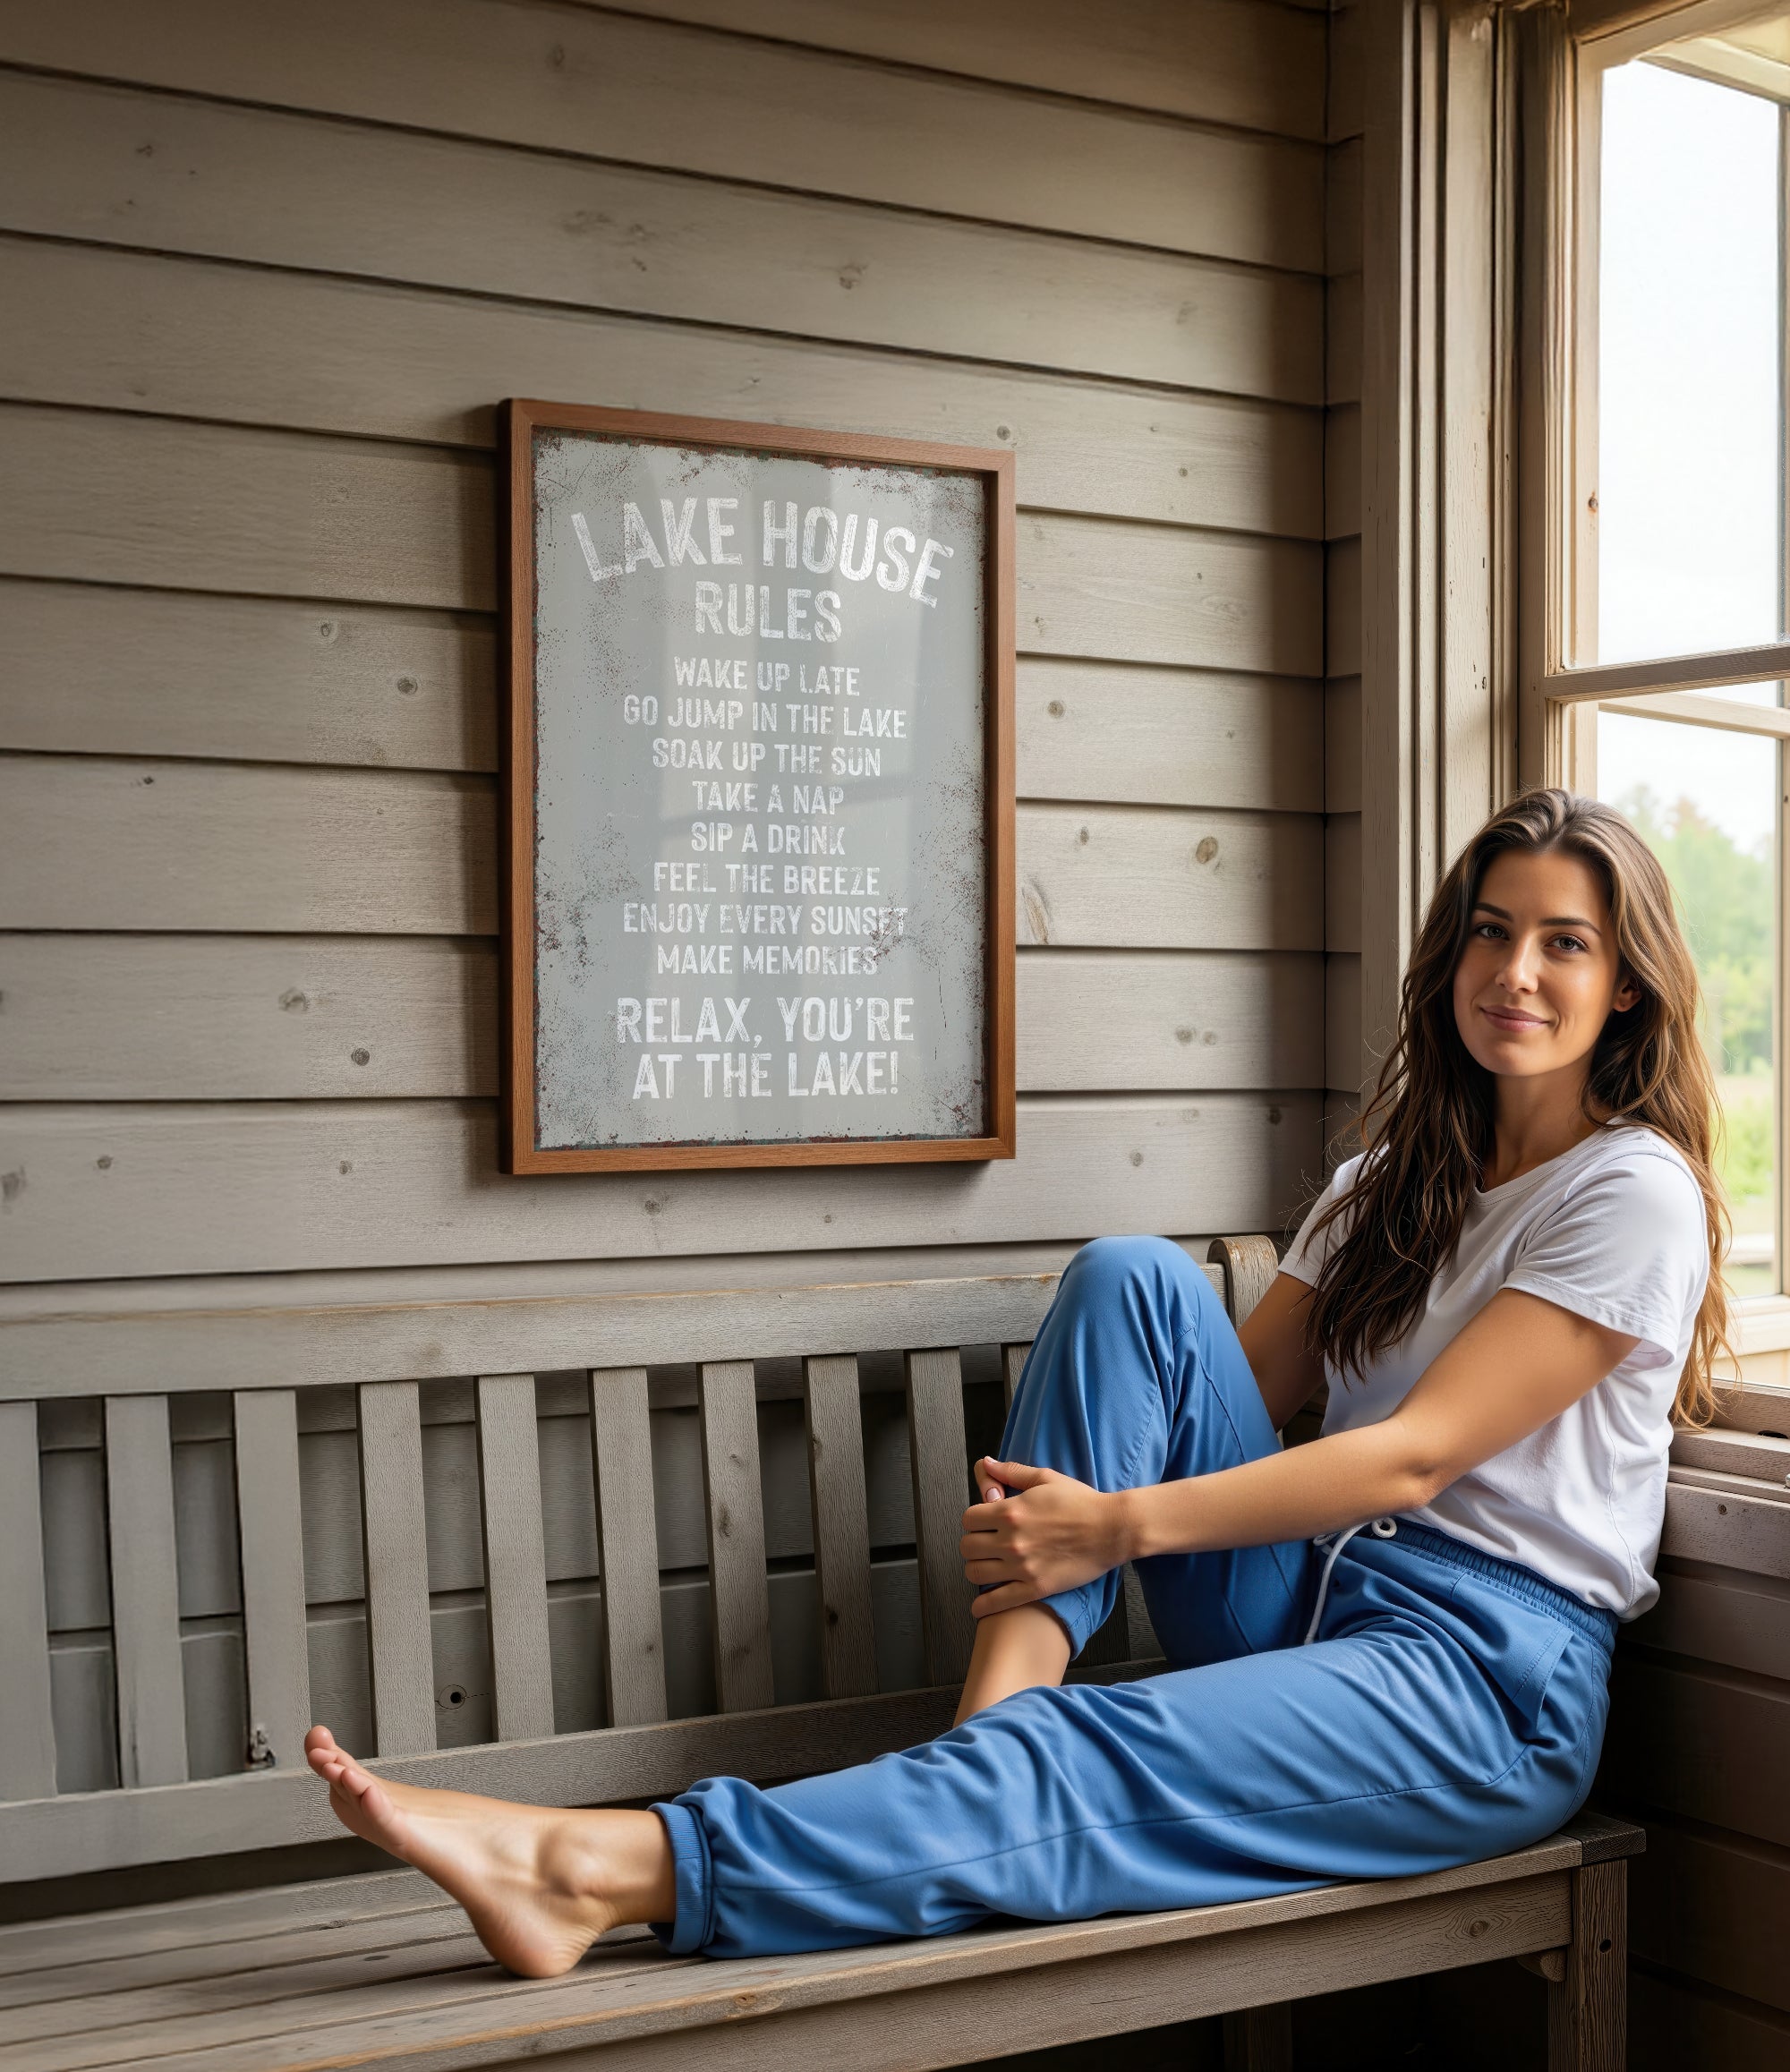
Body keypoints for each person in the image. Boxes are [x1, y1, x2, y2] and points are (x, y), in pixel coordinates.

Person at [306, 787, 1726, 1979]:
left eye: (1564, 943)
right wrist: (1117, 1517)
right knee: (1134, 1278)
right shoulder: (1387, 1184)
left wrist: (1113, 1531)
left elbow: (1413, 1459)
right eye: (1491, 930)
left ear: (1626, 983)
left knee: (1097, 1752)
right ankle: (985, 1743)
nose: (1515, 973)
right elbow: (1198, 1399)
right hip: (1305, 1600)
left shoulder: (1631, 1194)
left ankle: (595, 1865)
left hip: (1475, 1676)